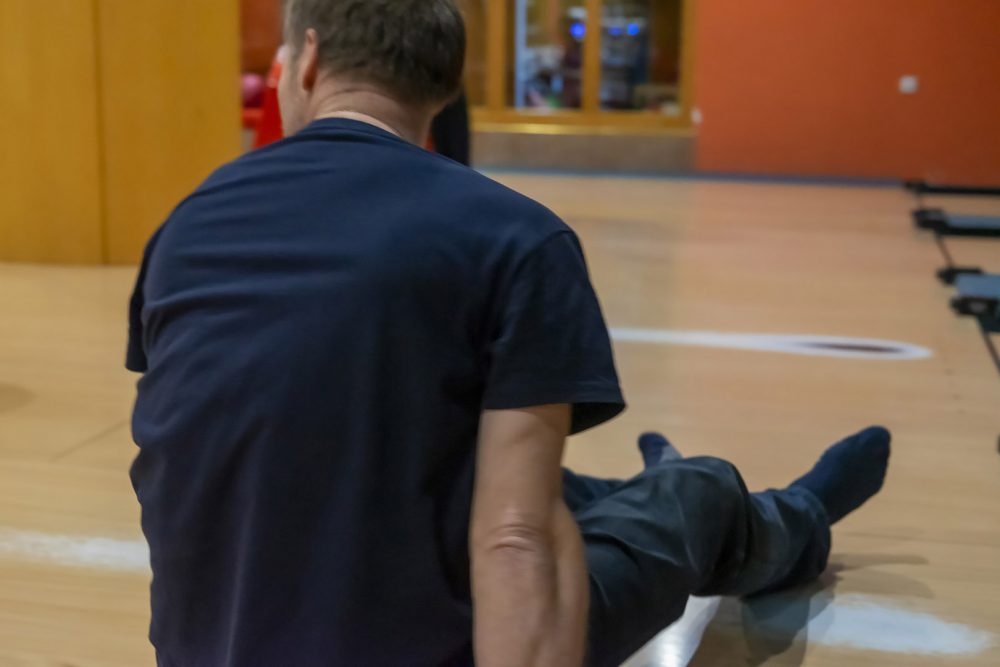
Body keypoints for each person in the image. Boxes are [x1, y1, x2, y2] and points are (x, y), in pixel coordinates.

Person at [126, 1, 891, 666]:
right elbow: (516, 538)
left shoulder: (185, 227)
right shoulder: (515, 238)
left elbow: (181, 463)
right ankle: (793, 516)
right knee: (693, 494)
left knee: (466, 456)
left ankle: (640, 487)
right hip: (442, 643)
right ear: (446, 85)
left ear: (307, 62)